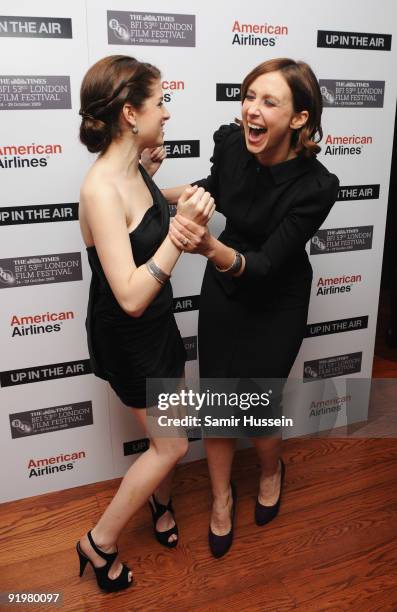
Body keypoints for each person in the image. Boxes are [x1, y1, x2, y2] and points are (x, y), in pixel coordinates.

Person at [165, 58, 340, 557]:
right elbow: (213, 190)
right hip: (225, 289)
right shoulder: (231, 144)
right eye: (248, 97)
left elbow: (264, 266)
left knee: (259, 404)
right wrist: (150, 196)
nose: (251, 110)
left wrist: (207, 247)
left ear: (300, 119)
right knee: (220, 395)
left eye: (268, 101)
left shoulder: (316, 186)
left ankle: (269, 471)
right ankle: (221, 496)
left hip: (275, 294)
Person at [76, 54, 214, 592]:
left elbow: (147, 214)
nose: (168, 113)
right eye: (162, 102)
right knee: (173, 446)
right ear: (131, 113)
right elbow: (131, 295)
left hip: (159, 328)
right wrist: (181, 234)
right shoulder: (100, 188)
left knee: (170, 434)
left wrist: (181, 192)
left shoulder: (134, 168)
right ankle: (99, 542)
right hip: (130, 335)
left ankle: (161, 500)